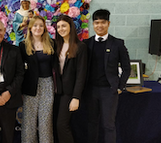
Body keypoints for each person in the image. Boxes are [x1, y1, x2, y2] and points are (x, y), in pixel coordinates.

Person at [83, 9, 131, 143]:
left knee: (108, 125)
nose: (99, 25)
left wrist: (120, 86)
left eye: (103, 22)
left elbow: (127, 68)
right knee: (92, 123)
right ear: (93, 24)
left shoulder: (118, 44)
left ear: (108, 23)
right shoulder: (86, 44)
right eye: (96, 22)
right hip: (90, 91)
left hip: (109, 91)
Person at [19, 15, 56, 143]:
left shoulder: (51, 43)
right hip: (30, 86)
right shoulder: (23, 46)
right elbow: (19, 69)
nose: (38, 28)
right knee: (29, 121)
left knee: (45, 121)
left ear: (44, 28)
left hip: (47, 84)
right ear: (30, 28)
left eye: (41, 25)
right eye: (35, 25)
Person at [54, 15, 88, 143]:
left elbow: (81, 74)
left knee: (62, 125)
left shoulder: (80, 47)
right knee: (54, 125)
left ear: (70, 27)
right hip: (56, 91)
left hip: (69, 92)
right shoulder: (56, 45)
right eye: (58, 27)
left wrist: (76, 97)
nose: (61, 29)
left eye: (64, 26)